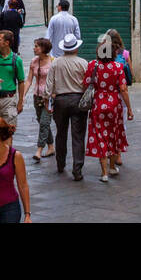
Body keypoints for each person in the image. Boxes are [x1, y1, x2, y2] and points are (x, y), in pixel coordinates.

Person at [85, 32, 133, 183]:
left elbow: (86, 84)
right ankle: (112, 167)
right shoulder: (118, 67)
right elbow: (123, 89)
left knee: (100, 136)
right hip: (114, 106)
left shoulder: (93, 65)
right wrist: (129, 109)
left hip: (98, 105)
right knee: (114, 135)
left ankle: (104, 173)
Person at [48, 33, 89, 180]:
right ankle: (77, 170)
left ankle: (60, 163)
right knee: (78, 136)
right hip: (78, 99)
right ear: (76, 48)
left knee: (61, 133)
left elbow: (49, 86)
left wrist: (48, 101)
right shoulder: (83, 63)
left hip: (60, 100)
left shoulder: (56, 63)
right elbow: (88, 84)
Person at [28, 37, 55, 162]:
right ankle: (51, 147)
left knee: (45, 122)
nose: (34, 48)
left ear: (43, 48)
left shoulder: (53, 62)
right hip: (37, 96)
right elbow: (29, 80)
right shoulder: (34, 61)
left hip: (49, 98)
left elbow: (57, 80)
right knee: (42, 121)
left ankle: (39, 150)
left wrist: (53, 94)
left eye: (36, 46)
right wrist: (23, 95)